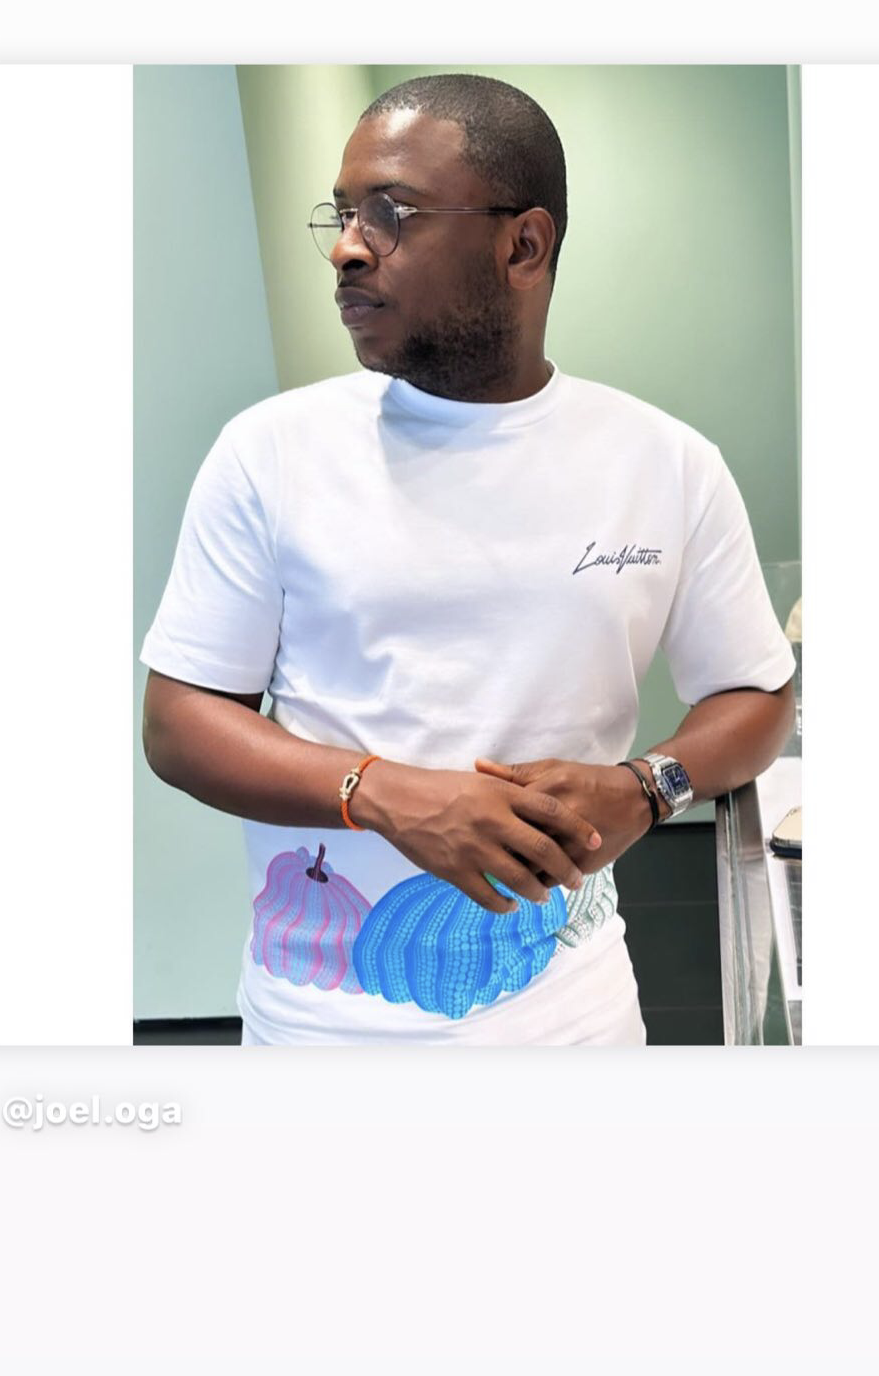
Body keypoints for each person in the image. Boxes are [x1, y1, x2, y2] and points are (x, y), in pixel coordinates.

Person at [140, 73, 795, 1045]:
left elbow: (755, 694)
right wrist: (383, 793)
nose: (348, 246)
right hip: (318, 1035)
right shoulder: (271, 452)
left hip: (574, 1023)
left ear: (522, 245)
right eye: (343, 213)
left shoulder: (664, 462)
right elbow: (180, 722)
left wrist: (646, 786)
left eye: (392, 213)